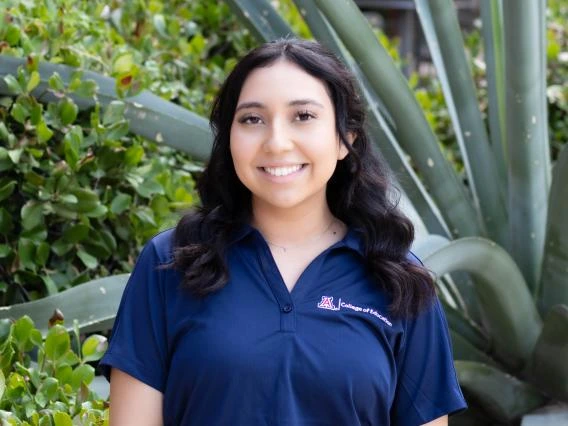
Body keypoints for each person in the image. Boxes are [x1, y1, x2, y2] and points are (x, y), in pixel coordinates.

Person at [99, 38, 467, 426]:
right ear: (229, 138)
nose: (276, 142)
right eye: (252, 119)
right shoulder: (170, 263)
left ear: (346, 138)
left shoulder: (399, 279)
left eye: (303, 116)